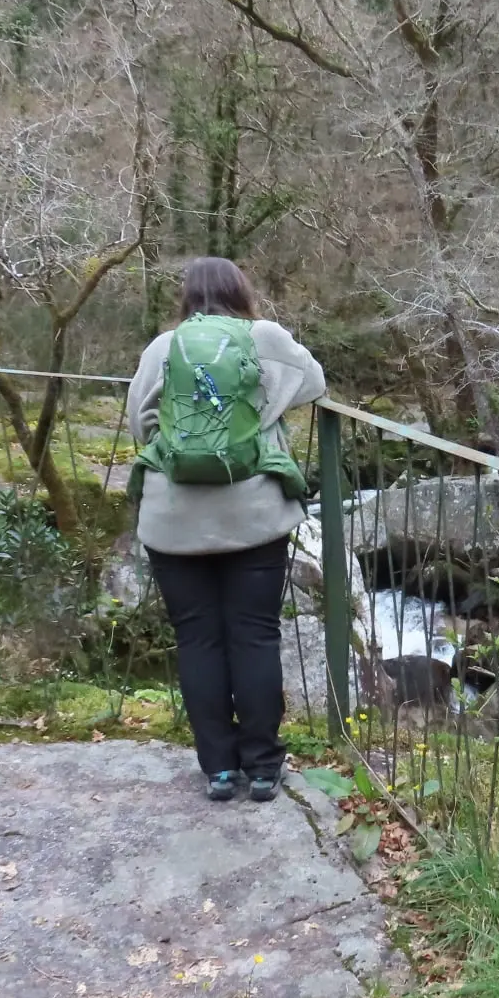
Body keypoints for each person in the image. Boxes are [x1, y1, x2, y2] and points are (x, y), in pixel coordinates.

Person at [126, 257, 326, 803]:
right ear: (242, 291)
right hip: (254, 514)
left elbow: (139, 422)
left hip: (174, 518)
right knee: (255, 635)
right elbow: (315, 383)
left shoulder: (162, 348)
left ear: (186, 297)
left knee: (198, 638)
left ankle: (218, 769)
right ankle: (263, 768)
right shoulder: (264, 336)